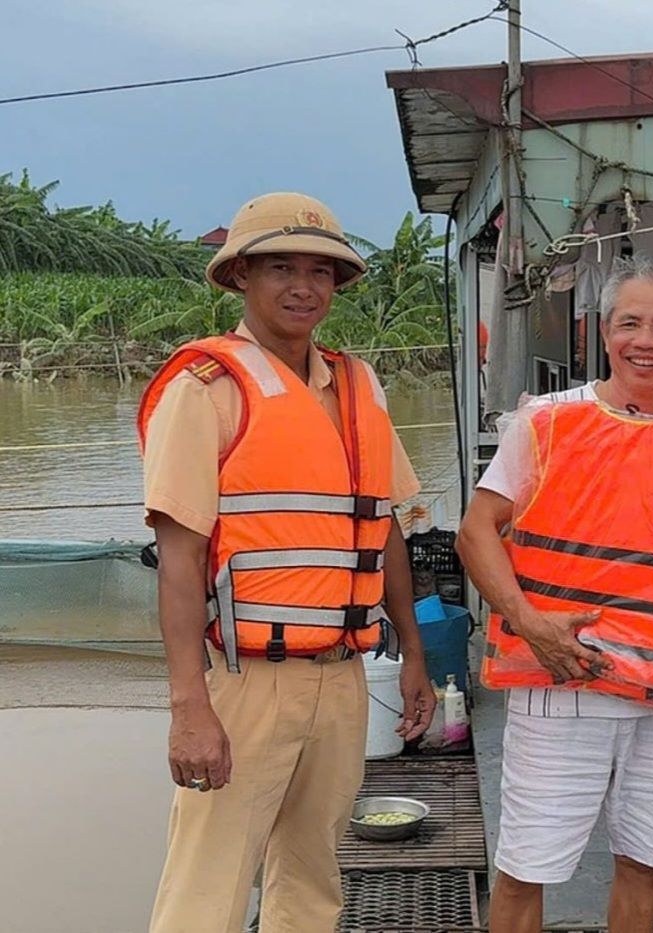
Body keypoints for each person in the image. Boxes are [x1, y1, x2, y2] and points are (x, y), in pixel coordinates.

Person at [137, 192, 435, 933]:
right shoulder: (205, 388)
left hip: (342, 676)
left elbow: (386, 530)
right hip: (244, 682)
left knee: (312, 879)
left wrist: (415, 656)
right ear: (240, 276)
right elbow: (180, 558)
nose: (304, 287)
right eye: (281, 268)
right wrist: (189, 708)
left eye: (321, 271)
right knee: (207, 886)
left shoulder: (358, 385)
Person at [456, 257, 653, 933]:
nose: (644, 340)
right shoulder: (546, 421)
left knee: (643, 859)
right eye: (629, 323)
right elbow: (477, 531)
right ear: (602, 331)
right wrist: (532, 625)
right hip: (556, 681)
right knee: (526, 865)